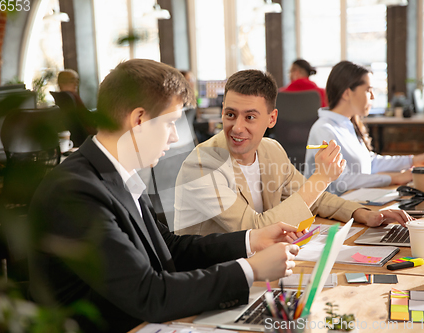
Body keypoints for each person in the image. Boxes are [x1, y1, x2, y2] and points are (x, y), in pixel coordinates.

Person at [28, 60, 304, 333]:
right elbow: (148, 293)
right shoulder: (76, 191)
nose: (174, 137)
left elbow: (170, 248)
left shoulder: (117, 175)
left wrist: (250, 240)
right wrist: (250, 270)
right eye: (171, 123)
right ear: (139, 120)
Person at [174, 69, 412, 236]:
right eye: (230, 114)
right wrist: (320, 179)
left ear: (272, 119)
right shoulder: (203, 165)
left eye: (250, 117)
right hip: (217, 278)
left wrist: (362, 213)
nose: (237, 127)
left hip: (260, 264)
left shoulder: (271, 150)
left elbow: (313, 199)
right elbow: (253, 230)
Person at [304, 61, 424, 195]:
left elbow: (370, 162)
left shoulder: (347, 125)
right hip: (330, 211)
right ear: (347, 93)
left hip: (353, 201)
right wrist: (395, 178)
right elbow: (342, 181)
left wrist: (414, 160)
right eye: (368, 90)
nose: (373, 96)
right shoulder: (323, 129)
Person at [51, 69, 96, 147]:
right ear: (60, 82)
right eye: (72, 81)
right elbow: (85, 119)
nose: (76, 84)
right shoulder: (69, 97)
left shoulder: (60, 98)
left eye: (77, 80)